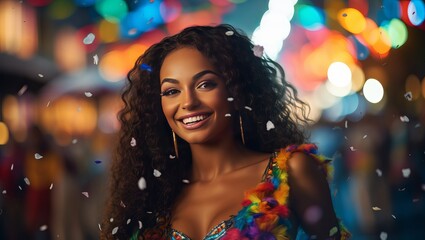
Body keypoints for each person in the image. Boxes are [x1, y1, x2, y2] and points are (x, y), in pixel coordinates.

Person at [101, 24, 350, 240]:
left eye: (205, 84)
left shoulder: (291, 171)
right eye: (171, 91)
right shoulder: (151, 195)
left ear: (236, 91)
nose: (188, 103)